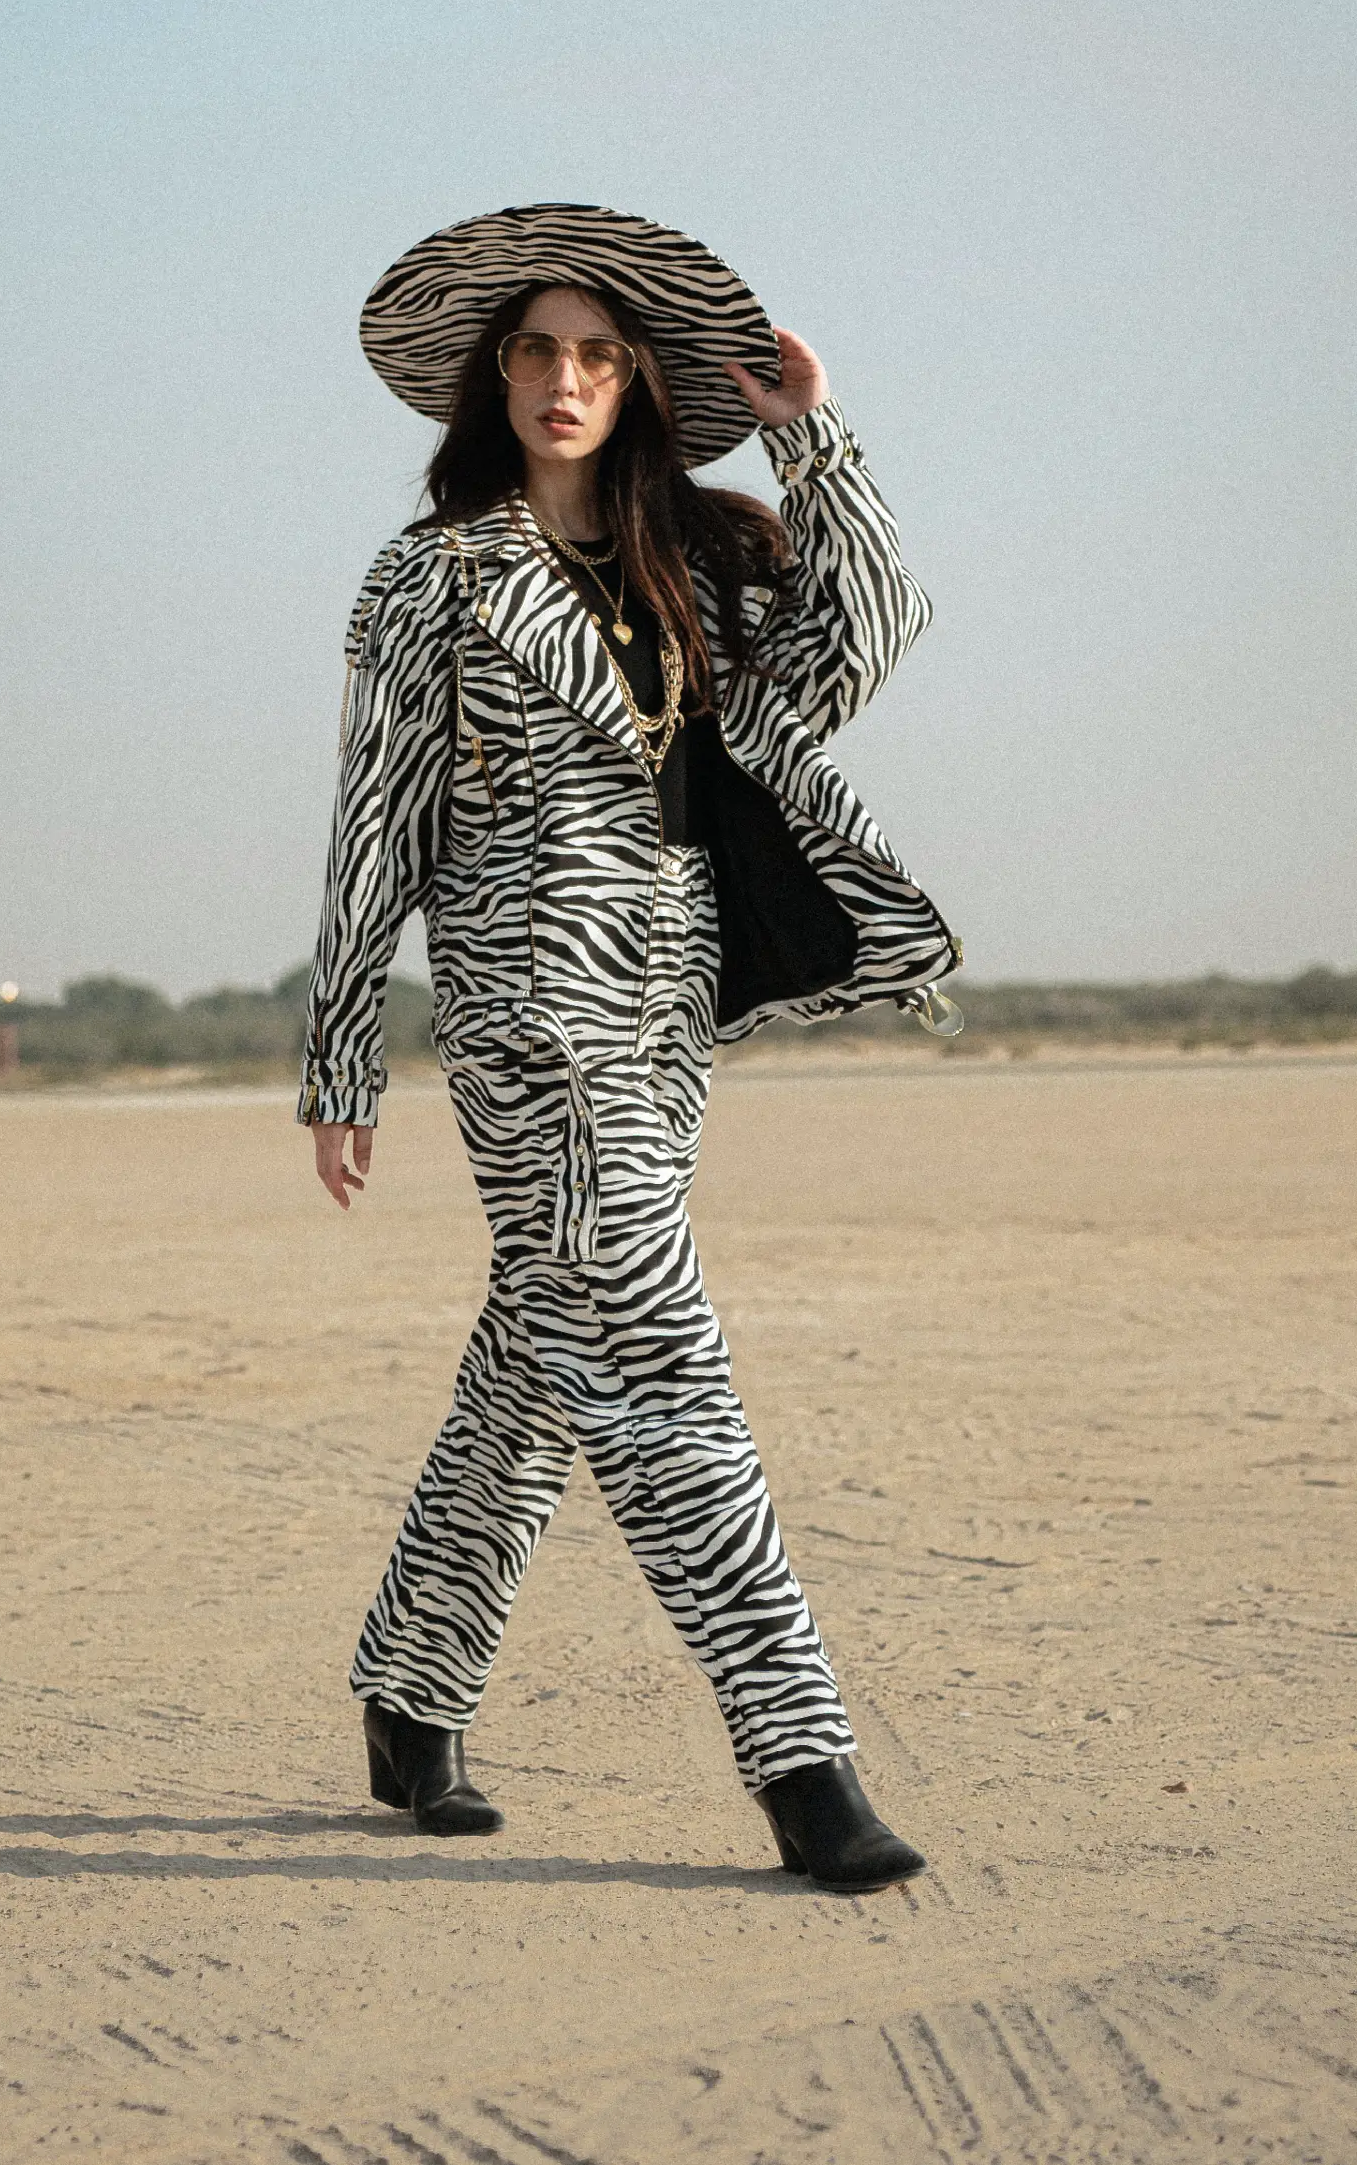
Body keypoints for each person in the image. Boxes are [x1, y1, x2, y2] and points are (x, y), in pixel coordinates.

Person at [299, 204, 960, 1893]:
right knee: (658, 1353)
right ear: (493, 375)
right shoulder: (435, 575)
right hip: (525, 1000)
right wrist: (346, 1051)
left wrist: (816, 439)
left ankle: (411, 1688)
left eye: (598, 354)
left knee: (547, 1343)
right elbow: (377, 819)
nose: (565, 378)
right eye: (536, 350)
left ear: (639, 380)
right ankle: (803, 1759)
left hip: (666, 991)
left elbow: (871, 635)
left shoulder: (698, 563)